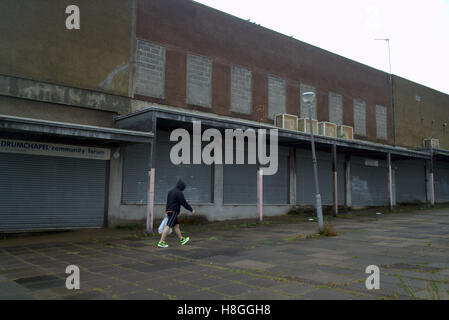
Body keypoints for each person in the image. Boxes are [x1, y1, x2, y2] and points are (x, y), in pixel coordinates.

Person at [158, 179, 195, 248]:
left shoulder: (170, 191)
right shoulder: (179, 192)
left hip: (169, 211)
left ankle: (182, 239)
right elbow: (184, 203)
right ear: (181, 187)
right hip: (173, 212)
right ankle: (161, 242)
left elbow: (168, 202)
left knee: (176, 226)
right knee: (168, 226)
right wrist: (191, 209)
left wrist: (166, 211)